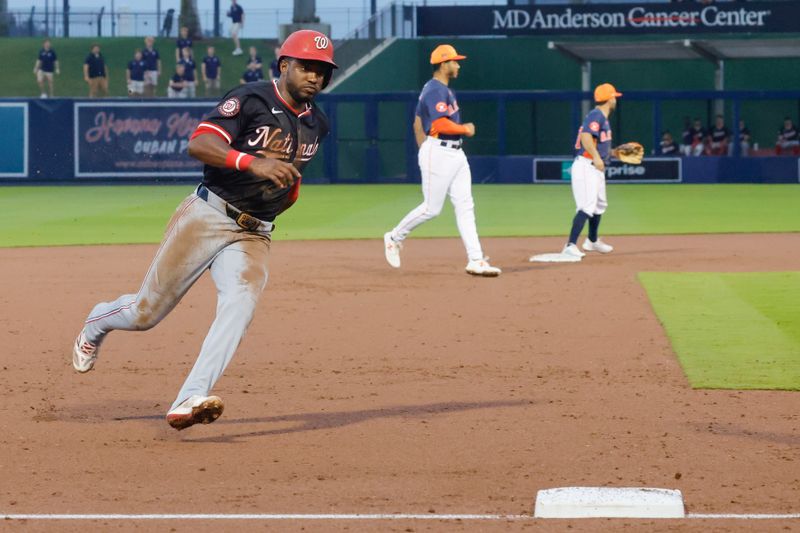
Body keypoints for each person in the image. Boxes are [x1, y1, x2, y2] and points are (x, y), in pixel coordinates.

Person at [70, 29, 336, 431]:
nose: (314, 76)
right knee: (146, 313)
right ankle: (97, 321)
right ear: (284, 66)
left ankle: (187, 399)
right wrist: (252, 163)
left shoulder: (318, 125)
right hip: (209, 214)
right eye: (306, 67)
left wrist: (285, 190)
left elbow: (293, 177)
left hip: (254, 233)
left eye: (322, 70)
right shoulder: (250, 99)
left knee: (239, 306)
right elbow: (200, 143)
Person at [383, 44, 501, 277]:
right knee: (431, 208)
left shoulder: (437, 89)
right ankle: (394, 237)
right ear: (443, 63)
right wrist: (464, 129)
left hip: (454, 153)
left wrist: (423, 148)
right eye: (454, 61)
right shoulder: (436, 89)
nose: (458, 65)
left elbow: (417, 122)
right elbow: (439, 124)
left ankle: (476, 259)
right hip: (440, 151)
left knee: (466, 206)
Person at [552, 83, 622, 261]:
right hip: (586, 165)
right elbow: (585, 137)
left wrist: (614, 153)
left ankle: (591, 241)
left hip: (595, 166)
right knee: (586, 206)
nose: (616, 99)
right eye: (614, 96)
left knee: (599, 206)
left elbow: (596, 142)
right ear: (609, 99)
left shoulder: (602, 118)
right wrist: (597, 157)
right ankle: (570, 245)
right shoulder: (596, 115)